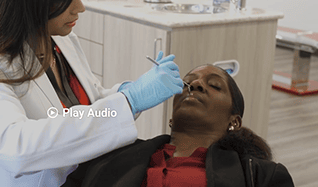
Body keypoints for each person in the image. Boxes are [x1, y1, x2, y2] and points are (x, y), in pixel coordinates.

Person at [0, 0, 185, 186]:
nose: (80, 6)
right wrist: (129, 102)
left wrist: (127, 93)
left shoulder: (62, 44)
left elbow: (89, 101)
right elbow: (17, 149)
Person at [63, 64, 295, 187]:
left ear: (233, 122)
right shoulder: (111, 155)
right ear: (172, 117)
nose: (195, 85)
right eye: (187, 82)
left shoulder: (261, 177)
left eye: (214, 85)